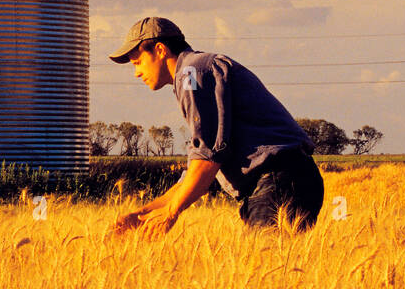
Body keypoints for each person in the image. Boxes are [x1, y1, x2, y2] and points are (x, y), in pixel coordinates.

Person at [107, 17, 324, 236]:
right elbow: (197, 170)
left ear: (160, 50)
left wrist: (171, 213)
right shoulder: (196, 72)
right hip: (284, 182)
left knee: (266, 260)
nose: (136, 72)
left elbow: (208, 158)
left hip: (279, 180)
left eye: (137, 62)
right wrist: (142, 215)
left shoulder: (191, 74)